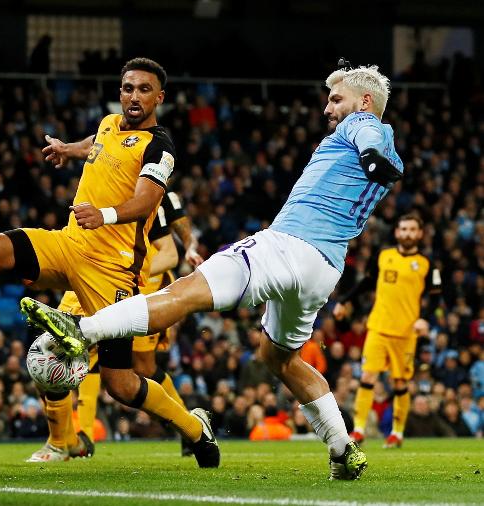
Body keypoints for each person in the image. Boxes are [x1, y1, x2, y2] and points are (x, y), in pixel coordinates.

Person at [22, 63, 404, 480]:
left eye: (336, 99)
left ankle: (82, 331)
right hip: (325, 268)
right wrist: (378, 162)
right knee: (279, 357)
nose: (328, 108)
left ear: (364, 102)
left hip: (287, 245)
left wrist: (370, 154)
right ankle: (341, 447)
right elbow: (383, 160)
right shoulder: (386, 147)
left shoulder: (362, 125)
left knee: (184, 292)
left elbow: (369, 137)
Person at [0, 58, 219, 467]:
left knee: (121, 384)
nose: (134, 96)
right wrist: (66, 150)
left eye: (144, 89)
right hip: (70, 245)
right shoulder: (110, 123)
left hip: (113, 269)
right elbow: (97, 144)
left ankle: (195, 430)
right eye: (128, 88)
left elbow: (147, 199)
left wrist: (105, 215)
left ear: (159, 97)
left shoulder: (160, 146)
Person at [27, 190, 204, 463]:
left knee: (139, 368)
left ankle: (189, 427)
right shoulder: (99, 181)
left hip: (133, 281)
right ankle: (69, 440)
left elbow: (170, 246)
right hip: (89, 274)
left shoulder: (150, 192)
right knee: (51, 350)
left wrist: (189, 245)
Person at [333, 213, 440, 448]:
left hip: (406, 333)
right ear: (397, 232)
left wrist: (424, 319)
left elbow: (435, 297)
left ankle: (397, 433)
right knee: (367, 376)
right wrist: (344, 300)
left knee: (400, 383)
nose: (407, 233)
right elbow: (367, 283)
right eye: (403, 229)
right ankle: (359, 430)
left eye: (412, 229)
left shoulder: (427, 263)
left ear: (420, 234)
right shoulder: (383, 256)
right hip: (378, 328)